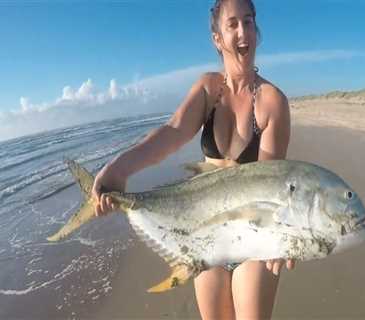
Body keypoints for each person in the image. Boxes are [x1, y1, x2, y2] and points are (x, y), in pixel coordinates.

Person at [92, 0, 294, 318]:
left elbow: (269, 183)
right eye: (232, 24)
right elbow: (172, 132)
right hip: (204, 235)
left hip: (253, 239)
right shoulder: (208, 89)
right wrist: (119, 168)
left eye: (249, 21)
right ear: (217, 38)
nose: (244, 32)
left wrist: (281, 239)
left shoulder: (272, 103)